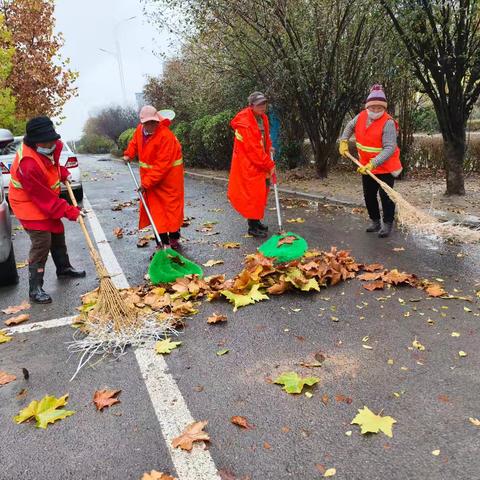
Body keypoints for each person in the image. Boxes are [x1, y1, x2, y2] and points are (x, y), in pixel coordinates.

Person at [8, 117, 85, 304]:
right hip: (26, 202)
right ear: (34, 141)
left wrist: (63, 172)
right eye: (46, 141)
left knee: (57, 231)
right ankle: (35, 288)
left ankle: (64, 268)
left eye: (52, 139)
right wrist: (71, 211)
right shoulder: (28, 164)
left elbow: (53, 165)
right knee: (42, 240)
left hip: (43, 197)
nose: (50, 143)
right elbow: (45, 199)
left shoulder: (54, 145)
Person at [339, 84, 402, 238]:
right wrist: (343, 140)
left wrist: (373, 163)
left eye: (379, 108)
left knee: (386, 196)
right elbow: (349, 126)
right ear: (367, 106)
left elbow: (389, 148)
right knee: (369, 195)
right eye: (372, 107)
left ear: (384, 108)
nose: (375, 110)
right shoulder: (361, 116)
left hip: (385, 166)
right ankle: (375, 221)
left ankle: (387, 223)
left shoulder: (388, 123)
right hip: (365, 165)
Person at [123, 105, 184, 250]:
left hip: (169, 179)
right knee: (156, 212)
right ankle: (162, 243)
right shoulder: (140, 130)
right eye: (148, 123)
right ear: (142, 123)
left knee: (171, 210)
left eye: (153, 122)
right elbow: (134, 144)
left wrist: (146, 183)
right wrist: (128, 154)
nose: (151, 125)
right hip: (151, 180)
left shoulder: (166, 136)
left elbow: (162, 165)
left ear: (157, 120)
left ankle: (174, 237)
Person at [228, 91, 275, 238]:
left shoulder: (262, 118)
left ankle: (256, 221)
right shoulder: (246, 123)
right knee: (253, 195)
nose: (263, 106)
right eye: (259, 104)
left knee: (260, 193)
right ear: (251, 105)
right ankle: (252, 227)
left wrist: (269, 147)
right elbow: (253, 149)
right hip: (250, 164)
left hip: (258, 162)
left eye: (264, 103)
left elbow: (264, 139)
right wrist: (269, 164)